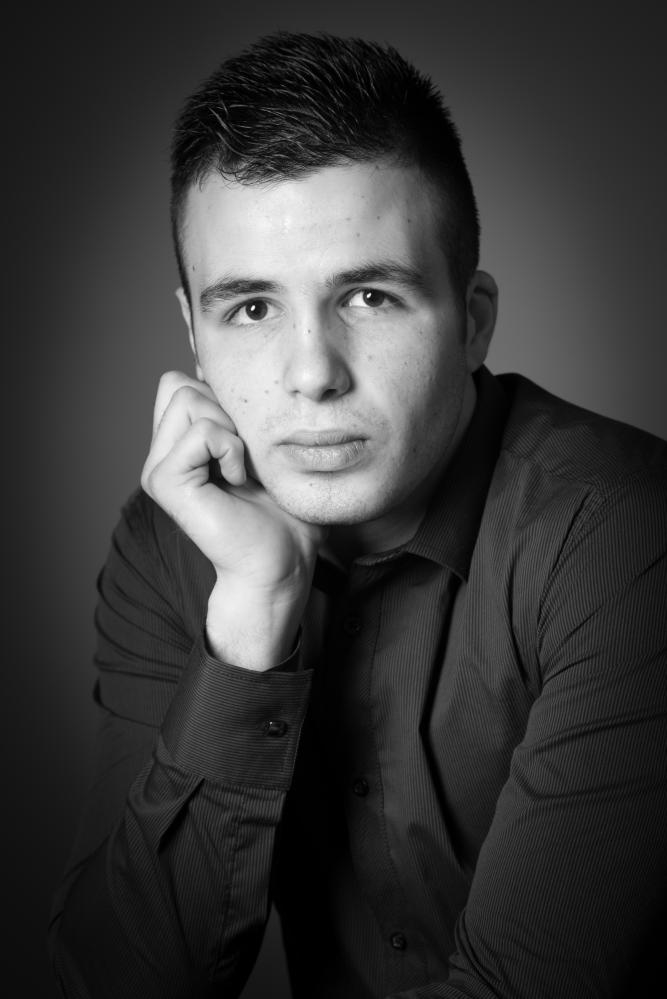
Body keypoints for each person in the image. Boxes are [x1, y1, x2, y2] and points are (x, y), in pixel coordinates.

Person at [49, 31, 666, 999]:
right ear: (193, 336)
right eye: (251, 308)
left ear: (473, 321)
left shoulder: (623, 536)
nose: (311, 374)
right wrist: (252, 622)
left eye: (370, 296)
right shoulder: (169, 545)